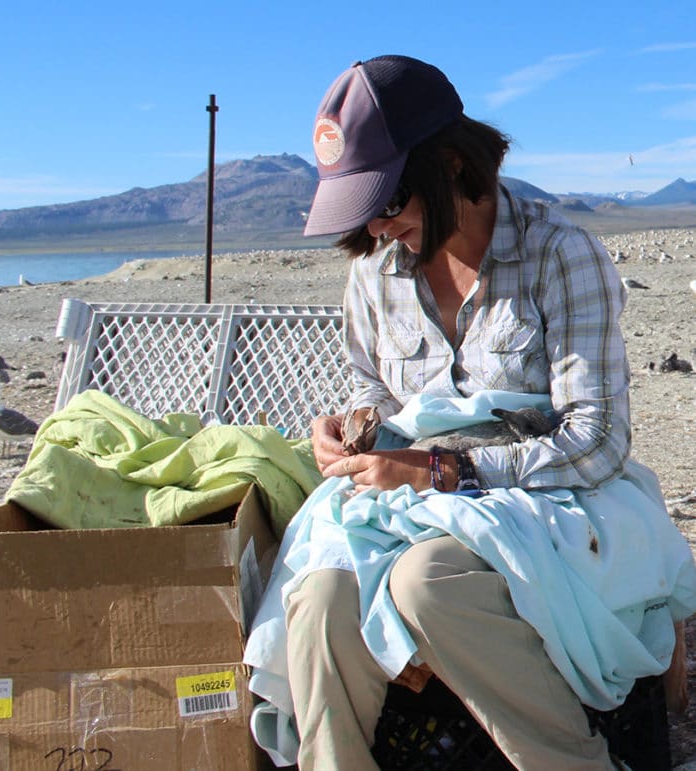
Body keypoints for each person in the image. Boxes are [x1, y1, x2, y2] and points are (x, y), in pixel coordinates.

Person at [281, 54, 686, 771]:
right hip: (412, 498)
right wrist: (351, 431)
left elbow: (596, 442)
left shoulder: (559, 255)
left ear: (451, 166)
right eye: (362, 211)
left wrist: (444, 469)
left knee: (426, 583)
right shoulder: (372, 275)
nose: (375, 229)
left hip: (550, 498)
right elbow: (373, 390)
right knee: (317, 600)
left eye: (387, 203)